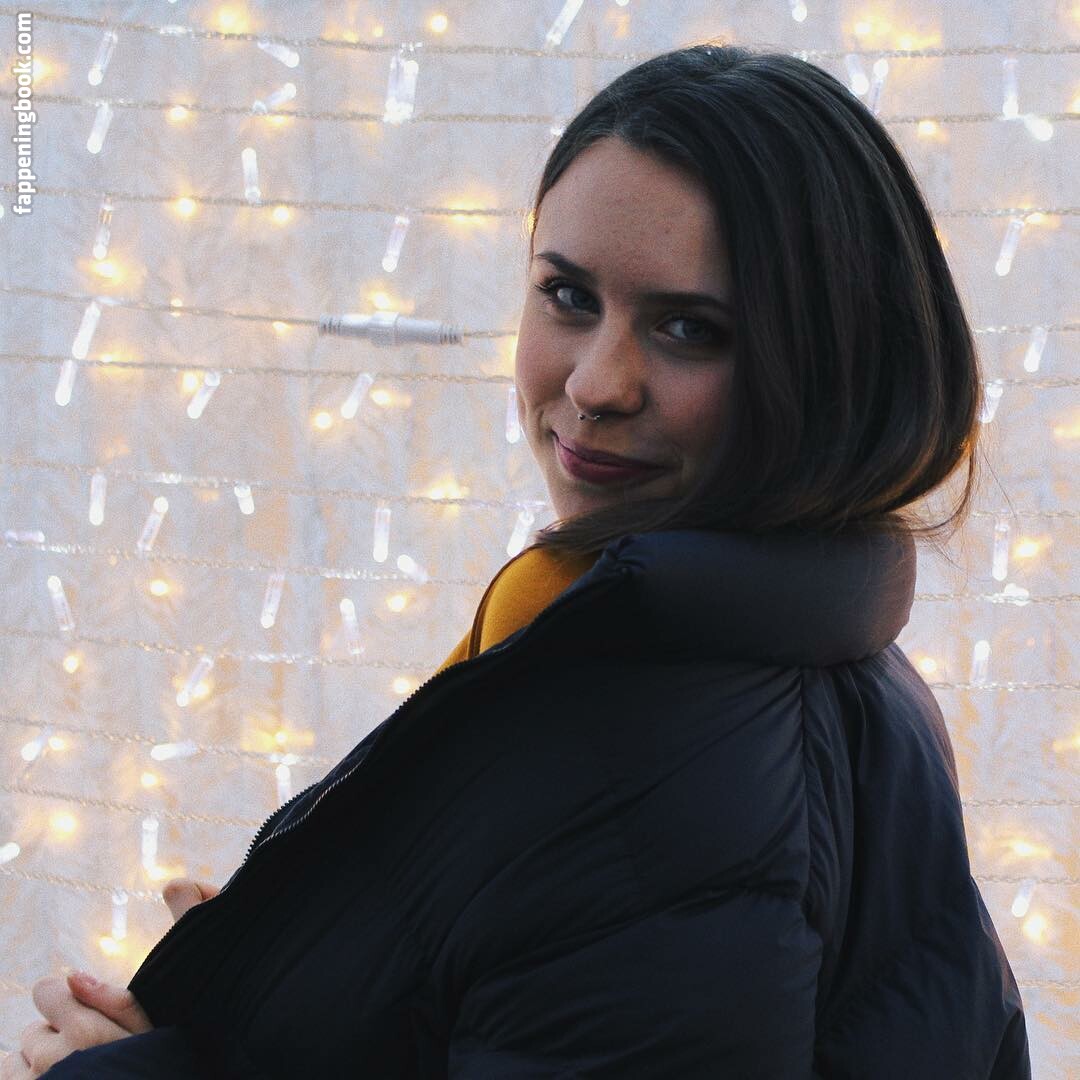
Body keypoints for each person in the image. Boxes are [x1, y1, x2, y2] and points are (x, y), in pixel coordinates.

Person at [7, 42, 1029, 1078]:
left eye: (689, 328)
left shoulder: (668, 767)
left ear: (834, 365)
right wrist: (288, 980)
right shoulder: (710, 637)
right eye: (569, 297)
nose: (595, 385)